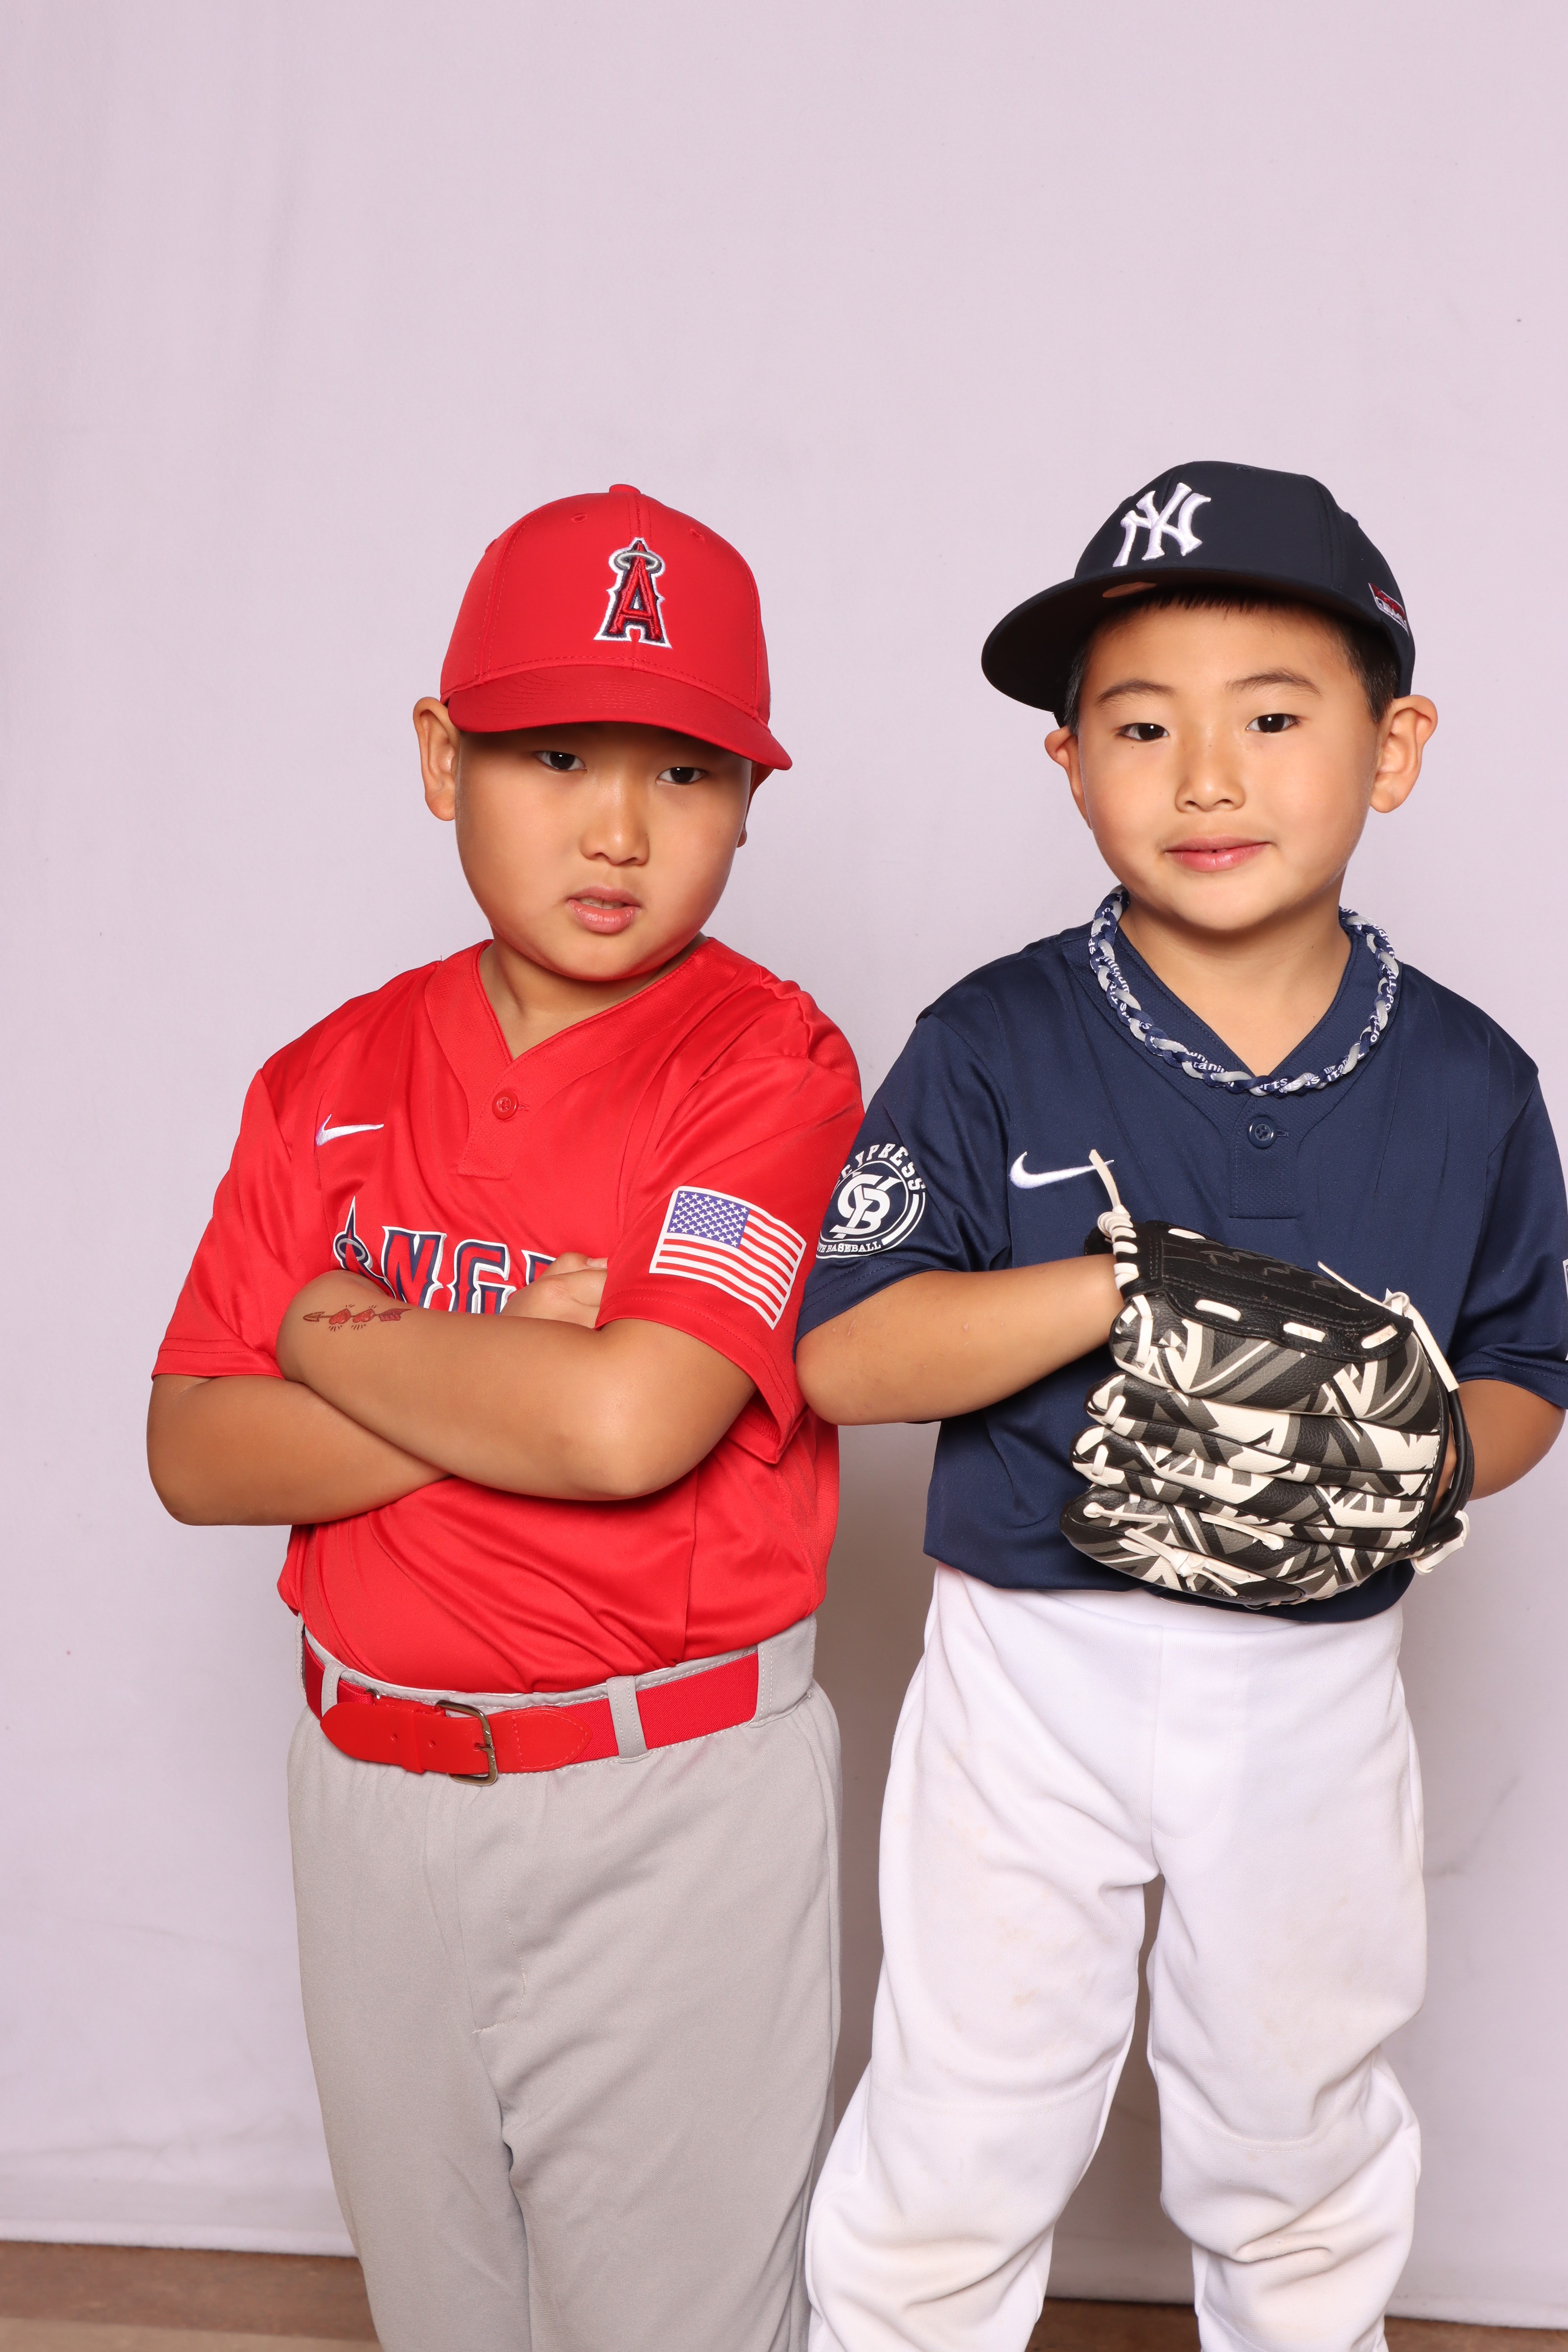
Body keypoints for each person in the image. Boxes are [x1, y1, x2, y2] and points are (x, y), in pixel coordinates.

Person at [794, 462, 1568, 2352]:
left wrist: (1400, 1464)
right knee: (963, 2124)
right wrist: (1127, 1290)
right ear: (1071, 766)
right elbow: (846, 1355)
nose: (1207, 777)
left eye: (1274, 719)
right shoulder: (993, 1038)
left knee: (1295, 2130)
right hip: (1028, 1661)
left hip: (1313, 1674)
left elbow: (1526, 1372)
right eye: (1142, 727)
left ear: (1395, 750)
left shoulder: (1470, 1079)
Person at [147, 484, 862, 2352]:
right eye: (555, 756)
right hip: (366, 1791)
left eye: (685, 771)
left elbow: (626, 1429)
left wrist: (333, 1330)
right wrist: (499, 1361)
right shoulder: (326, 1076)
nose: (619, 828)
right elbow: (196, 1452)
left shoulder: (769, 1065)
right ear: (440, 757)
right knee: (442, 2321)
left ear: (747, 799)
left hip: (664, 1801)